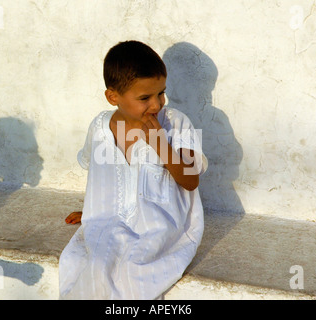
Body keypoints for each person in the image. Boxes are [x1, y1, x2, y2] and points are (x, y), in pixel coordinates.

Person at [59, 40, 208, 300]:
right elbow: (102, 177)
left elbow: (191, 180)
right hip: (111, 219)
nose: (156, 104)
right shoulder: (99, 127)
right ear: (113, 97)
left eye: (161, 93)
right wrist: (94, 209)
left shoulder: (176, 123)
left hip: (160, 223)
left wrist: (162, 145)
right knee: (83, 263)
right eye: (144, 98)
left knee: (131, 268)